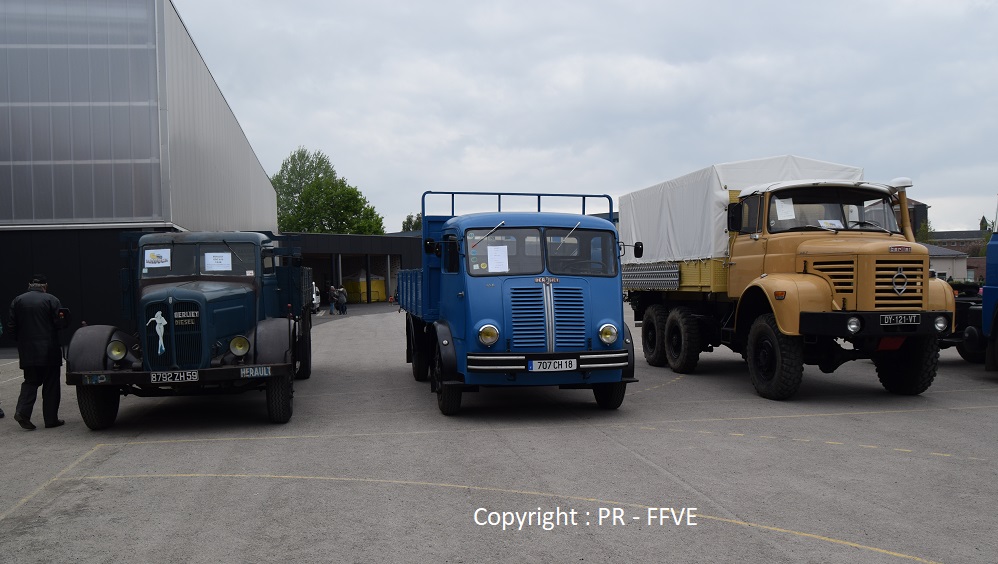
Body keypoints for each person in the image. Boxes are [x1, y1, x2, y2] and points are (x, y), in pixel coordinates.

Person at [7, 274, 66, 430]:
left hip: (28, 351)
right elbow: (59, 323)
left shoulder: (17, 300)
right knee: (51, 384)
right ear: (45, 286)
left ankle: (22, 412)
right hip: (49, 350)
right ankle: (51, 419)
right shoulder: (52, 300)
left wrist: (21, 341)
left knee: (30, 381)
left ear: (29, 284)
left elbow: (11, 327)